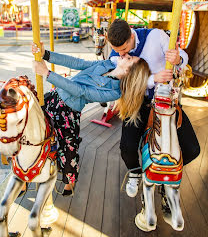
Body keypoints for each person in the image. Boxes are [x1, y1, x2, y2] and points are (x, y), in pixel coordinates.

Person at [31, 42, 151, 196]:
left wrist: (48, 74)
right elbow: (78, 63)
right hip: (56, 95)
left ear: (128, 71)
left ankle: (69, 180)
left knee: (69, 148)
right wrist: (46, 54)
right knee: (31, 123)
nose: (124, 54)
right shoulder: (106, 64)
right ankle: (25, 171)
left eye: (129, 58)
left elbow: (81, 91)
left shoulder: (115, 92)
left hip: (68, 110)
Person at [107, 19, 200, 199]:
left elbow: (183, 58)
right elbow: (126, 81)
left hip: (164, 98)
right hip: (137, 101)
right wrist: (153, 78)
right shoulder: (114, 55)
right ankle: (135, 172)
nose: (121, 54)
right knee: (127, 147)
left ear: (131, 35)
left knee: (192, 149)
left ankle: (168, 178)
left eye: (124, 50)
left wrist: (178, 59)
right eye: (117, 51)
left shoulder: (156, 36)